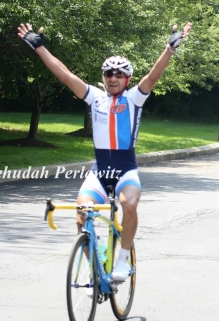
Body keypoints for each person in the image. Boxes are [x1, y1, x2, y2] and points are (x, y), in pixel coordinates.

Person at [18, 22, 193, 281]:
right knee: (82, 215)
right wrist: (40, 48)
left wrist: (169, 49)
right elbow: (64, 75)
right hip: (100, 170)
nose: (112, 78)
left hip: (125, 169)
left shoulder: (135, 97)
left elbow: (153, 76)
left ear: (127, 79)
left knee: (128, 204)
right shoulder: (94, 97)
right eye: (108, 74)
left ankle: (122, 260)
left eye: (119, 74)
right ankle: (97, 267)